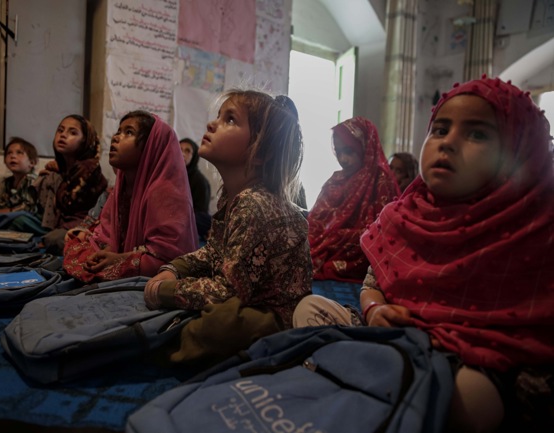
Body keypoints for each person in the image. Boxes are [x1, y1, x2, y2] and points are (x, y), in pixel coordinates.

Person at [293, 76, 554, 433]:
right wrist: (375, 309)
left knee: (473, 399)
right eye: (440, 129)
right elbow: (372, 284)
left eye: (477, 134)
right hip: (392, 335)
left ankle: (366, 379)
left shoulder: (534, 231)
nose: (448, 142)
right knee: (308, 308)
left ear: (521, 153)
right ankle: (385, 384)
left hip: (467, 358)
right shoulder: (405, 215)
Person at [144, 90, 313, 363]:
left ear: (260, 153)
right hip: (244, 293)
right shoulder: (231, 196)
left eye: (230, 120)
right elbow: (214, 252)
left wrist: (163, 291)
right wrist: (175, 268)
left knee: (219, 324)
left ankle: (162, 346)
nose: (212, 124)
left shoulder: (253, 204)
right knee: (195, 304)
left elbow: (228, 292)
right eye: (219, 116)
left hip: (274, 315)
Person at [62, 111, 198, 282]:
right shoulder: (122, 187)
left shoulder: (166, 194)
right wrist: (106, 250)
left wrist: (118, 259)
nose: (116, 137)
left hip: (160, 272)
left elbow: (166, 259)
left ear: (150, 148)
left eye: (129, 132)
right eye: (119, 131)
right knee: (76, 246)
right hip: (128, 256)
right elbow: (107, 233)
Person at [307, 117, 399, 282]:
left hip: (361, 261)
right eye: (338, 152)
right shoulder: (335, 181)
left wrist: (337, 236)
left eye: (349, 151)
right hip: (326, 255)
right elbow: (314, 223)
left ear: (364, 147)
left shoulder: (381, 181)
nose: (343, 159)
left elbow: (383, 234)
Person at [34, 114, 108, 255]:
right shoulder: (64, 168)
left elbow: (68, 203)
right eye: (60, 130)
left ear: (85, 141)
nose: (63, 135)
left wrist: (58, 178)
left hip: (84, 225)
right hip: (62, 223)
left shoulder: (88, 167)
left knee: (53, 240)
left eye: (73, 133)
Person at [179, 137, 212, 243]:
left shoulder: (200, 181)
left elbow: (201, 214)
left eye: (187, 151)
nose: (182, 154)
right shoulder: (169, 176)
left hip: (190, 224)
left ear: (194, 156)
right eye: (179, 149)